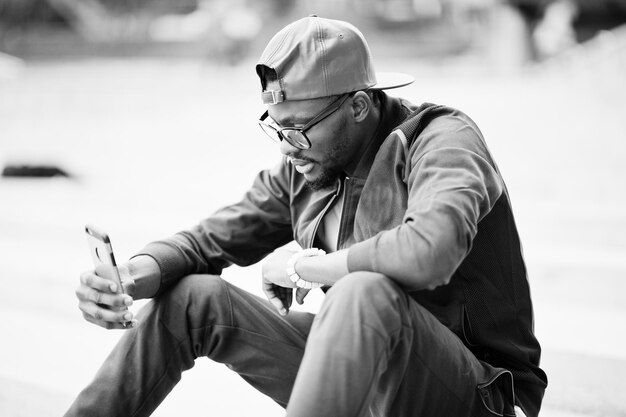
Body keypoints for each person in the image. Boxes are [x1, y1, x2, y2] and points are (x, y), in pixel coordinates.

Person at [68, 15, 547, 417]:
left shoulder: (441, 140)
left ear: (359, 105)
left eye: (298, 130)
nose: (287, 148)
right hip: (367, 380)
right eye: (276, 129)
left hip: (479, 394)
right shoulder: (305, 167)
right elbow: (206, 242)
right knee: (192, 300)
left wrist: (300, 267)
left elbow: (428, 251)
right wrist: (129, 278)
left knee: (362, 292)